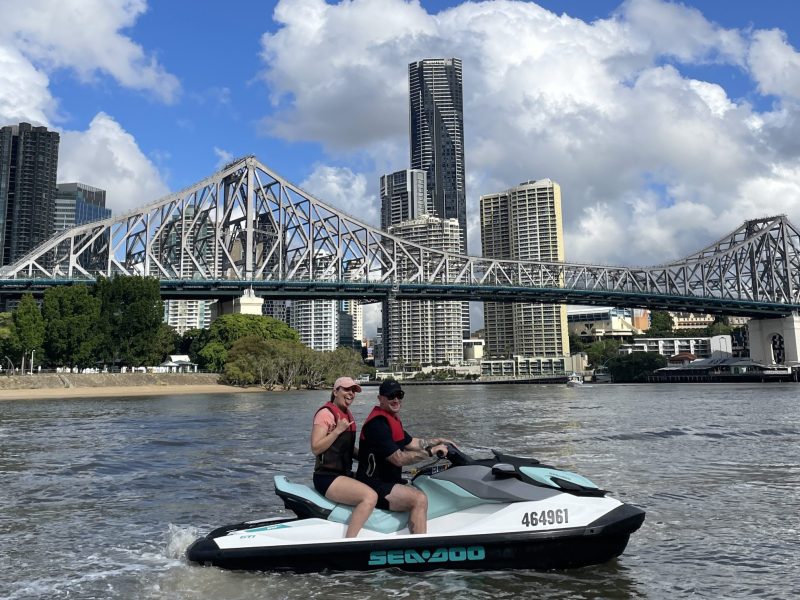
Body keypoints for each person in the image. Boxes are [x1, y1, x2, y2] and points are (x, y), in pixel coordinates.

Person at [355, 379, 453, 534]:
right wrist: (430, 452)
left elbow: (412, 442)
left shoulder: (392, 420)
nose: (396, 399)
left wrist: (437, 441)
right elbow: (398, 458)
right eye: (390, 396)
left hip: (389, 481)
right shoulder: (378, 425)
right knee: (419, 499)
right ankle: (419, 549)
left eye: (399, 395)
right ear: (380, 399)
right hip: (374, 485)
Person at [310, 376, 377, 538]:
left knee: (377, 483)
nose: (351, 394)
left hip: (343, 474)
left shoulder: (346, 414)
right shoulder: (326, 414)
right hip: (326, 477)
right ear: (335, 391)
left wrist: (368, 458)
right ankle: (350, 541)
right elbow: (316, 447)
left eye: (354, 390)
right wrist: (337, 430)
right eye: (347, 389)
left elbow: (345, 448)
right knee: (369, 496)